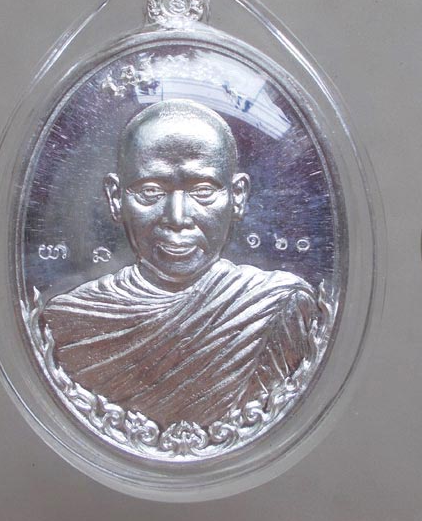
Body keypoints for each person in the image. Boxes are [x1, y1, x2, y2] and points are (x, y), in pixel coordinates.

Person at [42, 99, 320, 428]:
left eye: (202, 191)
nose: (177, 218)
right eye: (150, 191)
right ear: (116, 198)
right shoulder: (70, 322)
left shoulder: (279, 307)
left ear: (238, 196)